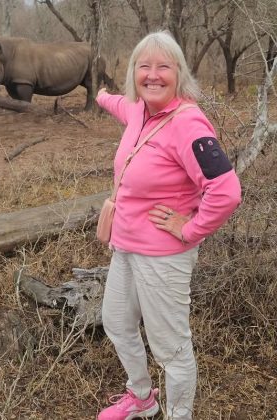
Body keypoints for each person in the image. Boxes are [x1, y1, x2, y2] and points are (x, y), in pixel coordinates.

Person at [95, 30, 241, 420]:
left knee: (171, 348)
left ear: (179, 73)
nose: (153, 75)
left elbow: (226, 191)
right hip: (124, 246)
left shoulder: (188, 124)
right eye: (144, 67)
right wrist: (99, 94)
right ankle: (142, 398)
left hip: (163, 257)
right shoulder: (139, 111)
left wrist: (189, 229)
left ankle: (180, 414)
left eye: (164, 67)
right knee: (117, 322)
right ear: (134, 74)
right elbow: (118, 104)